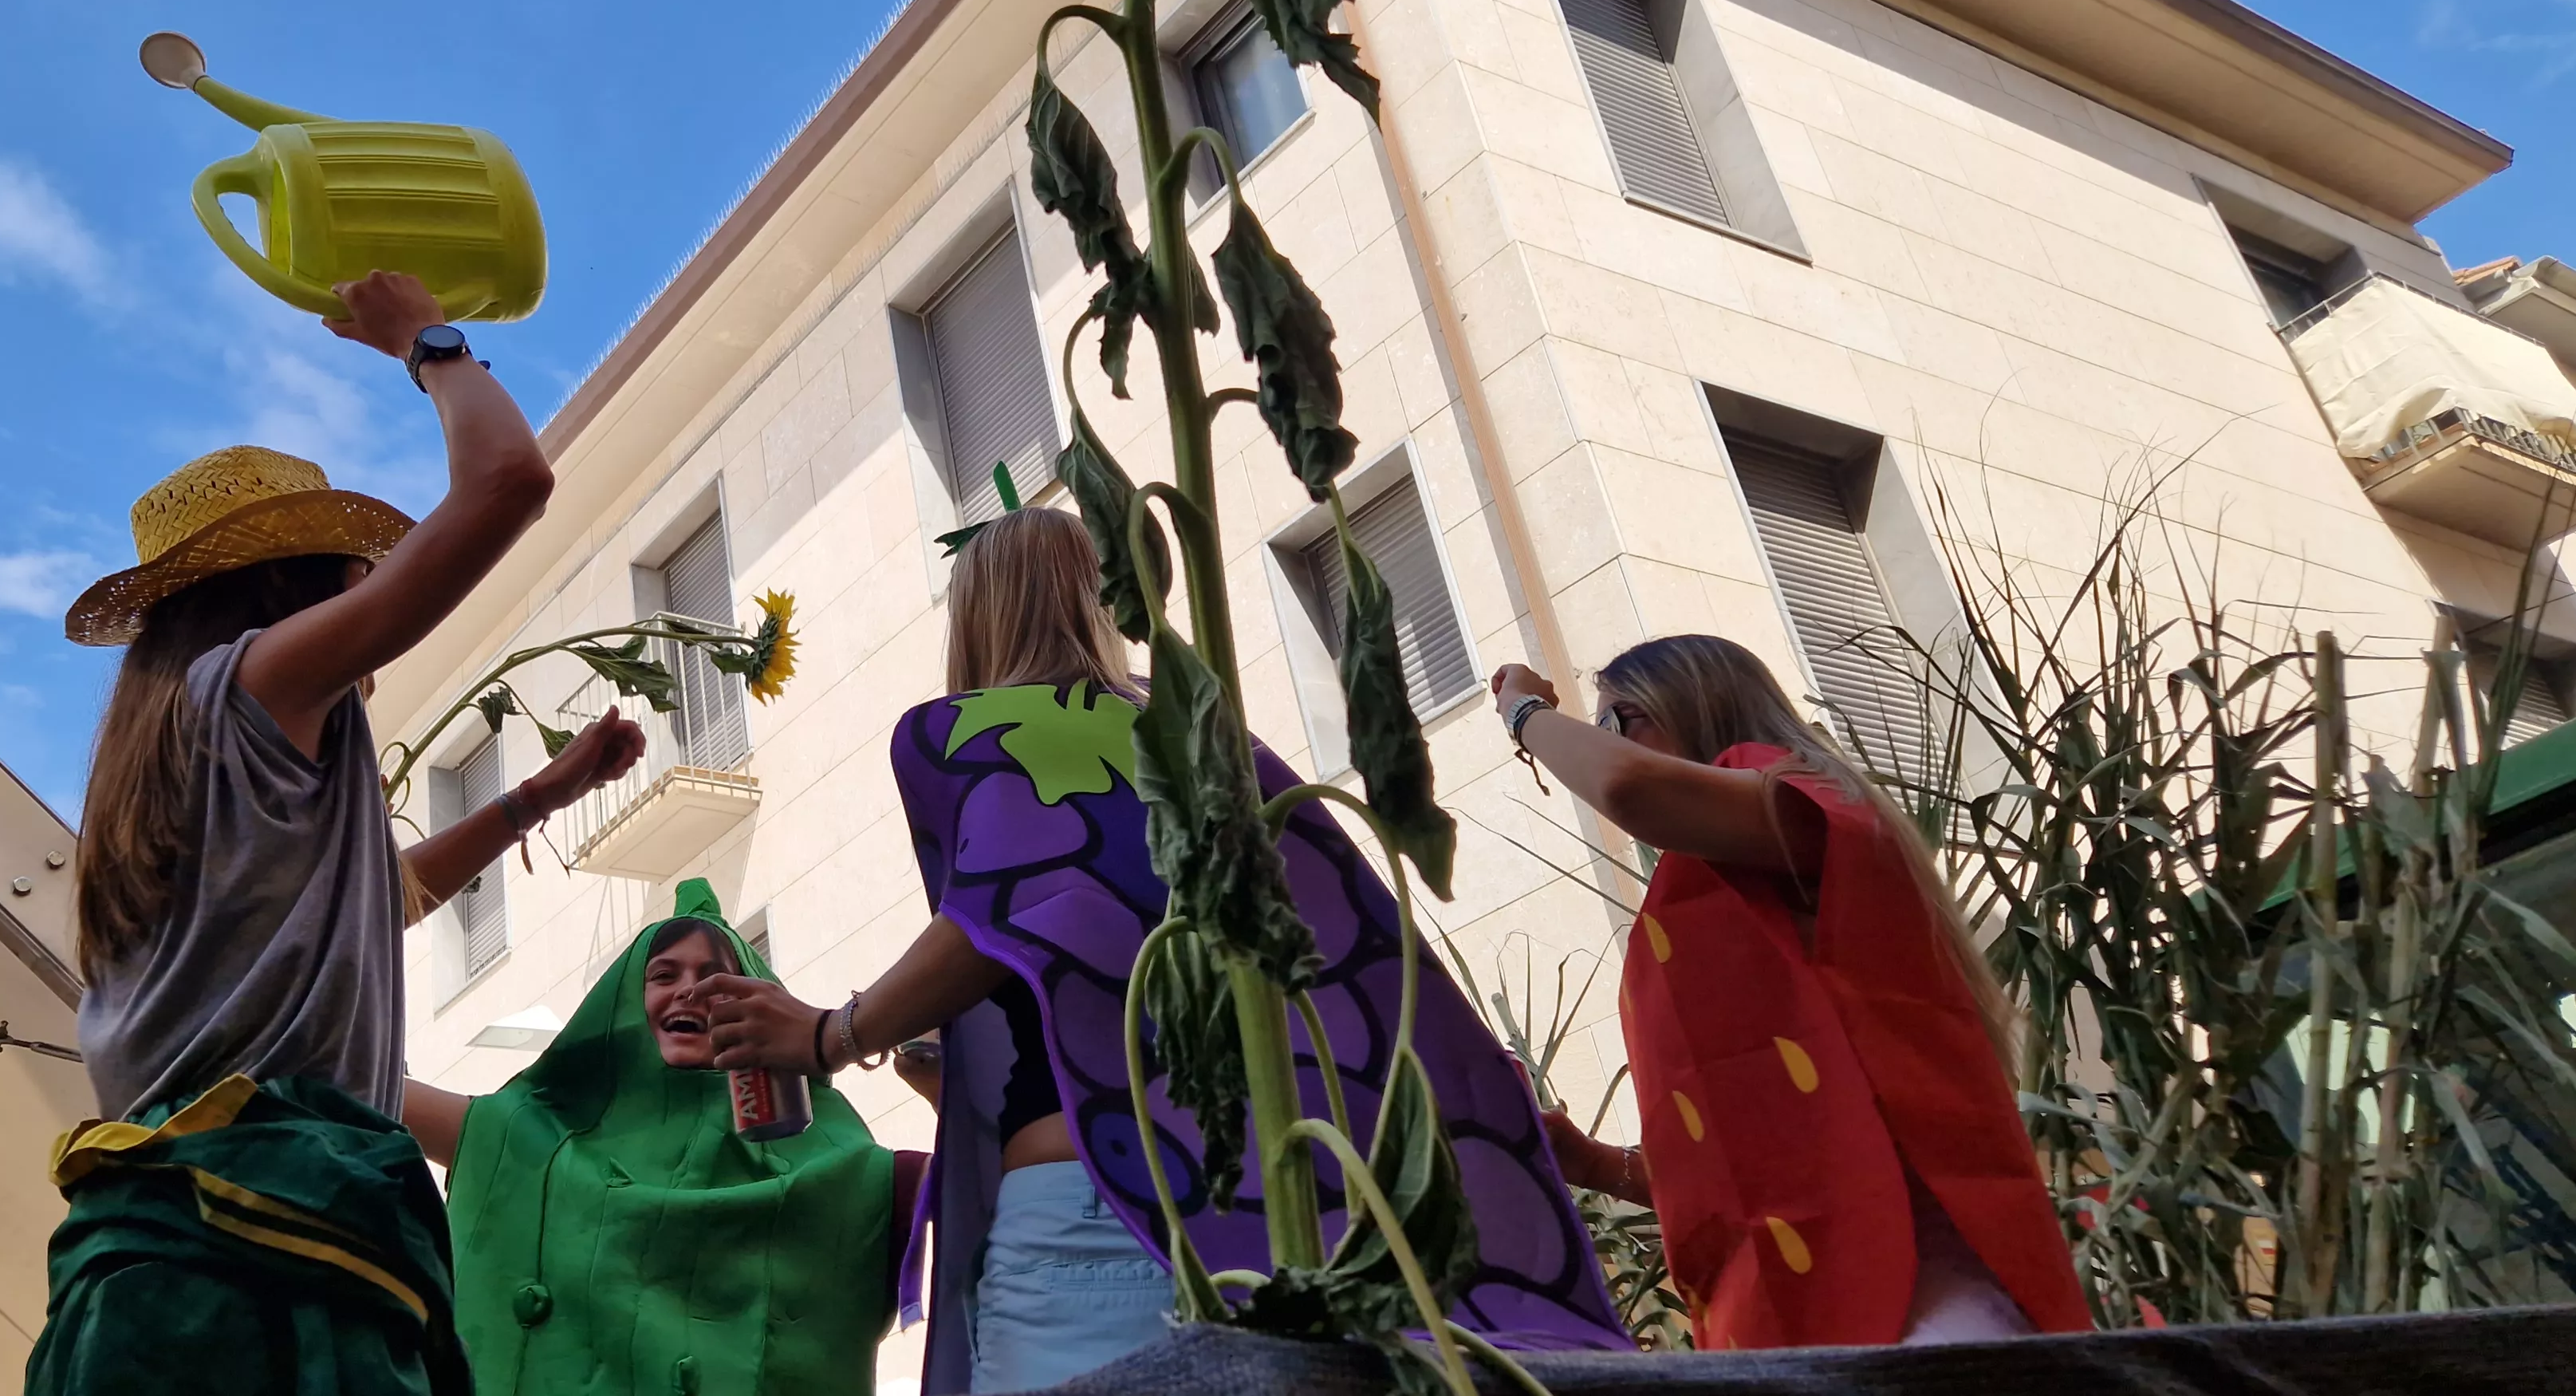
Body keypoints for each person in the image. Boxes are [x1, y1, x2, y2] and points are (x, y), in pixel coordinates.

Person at [700, 509, 1629, 1394]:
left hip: (1089, 1224)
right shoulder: (1218, 745)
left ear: (978, 618)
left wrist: (830, 1033)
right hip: (1285, 1211)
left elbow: (1015, 899)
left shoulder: (971, 734)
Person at [29, 270, 646, 1396]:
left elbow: (366, 900)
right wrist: (429, 342)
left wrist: (528, 804)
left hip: (151, 1268)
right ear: (287, 583)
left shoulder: (165, 750)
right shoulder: (257, 681)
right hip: (272, 1256)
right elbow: (509, 482)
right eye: (348, 566)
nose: (370, 580)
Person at [1489, 635, 2092, 1348]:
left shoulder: (1807, 806)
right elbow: (1767, 1168)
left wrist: (1524, 711)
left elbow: (1630, 789)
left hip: (1912, 1300)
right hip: (1823, 1320)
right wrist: (1595, 1165)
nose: (1608, 746)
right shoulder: (1721, 897)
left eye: (1618, 722)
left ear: (1694, 706)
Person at [428, 880, 923, 1396]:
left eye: (716, 979)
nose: (690, 990)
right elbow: (356, 1080)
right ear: (620, 1005)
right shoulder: (527, 1140)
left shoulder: (848, 1171)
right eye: (664, 975)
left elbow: (986, 1192)